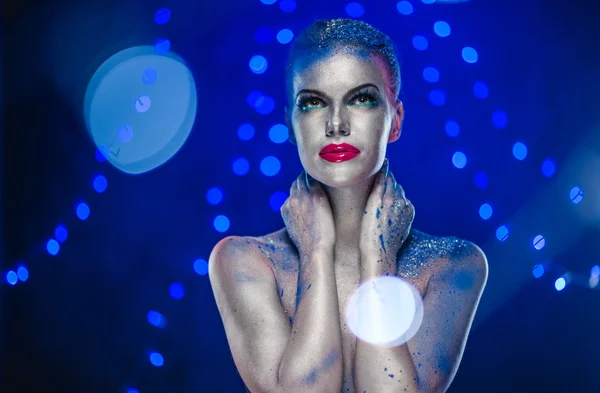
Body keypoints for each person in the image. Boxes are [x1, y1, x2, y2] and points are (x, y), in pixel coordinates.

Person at [209, 18, 488, 393]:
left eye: (362, 98)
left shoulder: (454, 264)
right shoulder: (242, 260)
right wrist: (315, 251)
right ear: (290, 125)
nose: (336, 124)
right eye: (312, 103)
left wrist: (378, 256)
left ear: (395, 121)